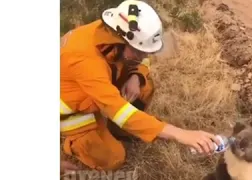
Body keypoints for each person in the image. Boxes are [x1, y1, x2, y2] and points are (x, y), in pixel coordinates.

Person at [60, 0, 220, 171]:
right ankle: (74, 144)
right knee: (113, 159)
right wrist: (180, 134)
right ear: (122, 42)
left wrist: (136, 76)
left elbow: (140, 57)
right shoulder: (85, 61)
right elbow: (118, 111)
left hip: (94, 91)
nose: (144, 56)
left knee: (144, 86)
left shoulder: (113, 31)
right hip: (73, 112)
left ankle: (121, 131)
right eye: (139, 51)